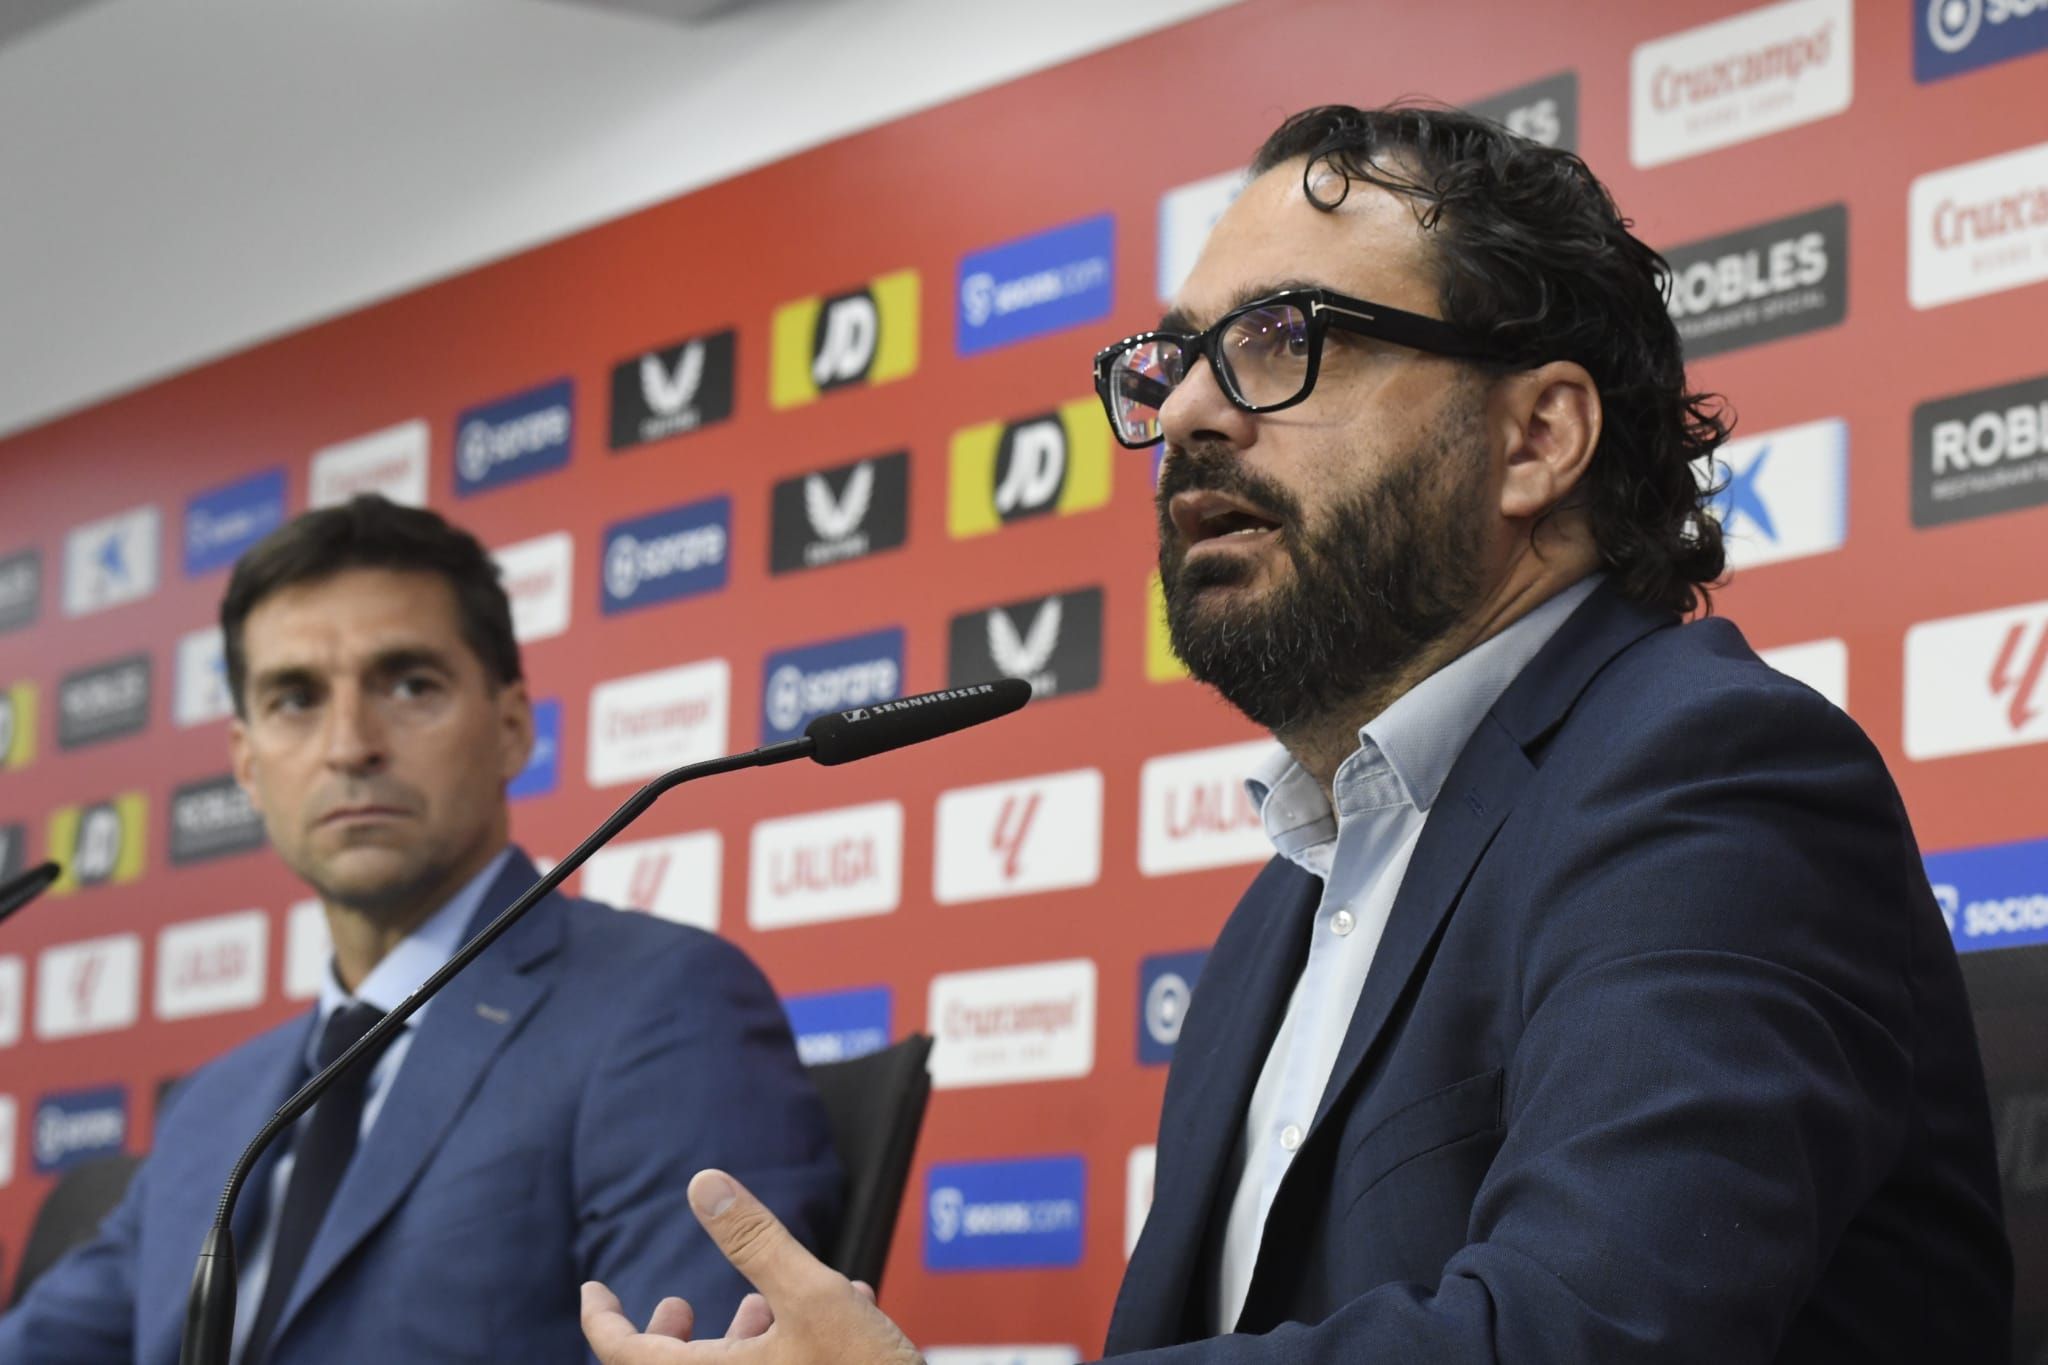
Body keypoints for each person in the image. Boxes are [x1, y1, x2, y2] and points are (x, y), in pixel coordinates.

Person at [576, 104, 2013, 1362]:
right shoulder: (1285, 908)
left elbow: (1579, 1336)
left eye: (1283, 340)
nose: (1189, 413)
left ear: (1535, 439)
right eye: (1177, 361)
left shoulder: (1712, 772)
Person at [0, 495, 842, 1364]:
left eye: (410, 685)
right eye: (295, 698)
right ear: (247, 766)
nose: (350, 744)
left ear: (512, 728)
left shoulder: (663, 1007)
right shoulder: (213, 1104)